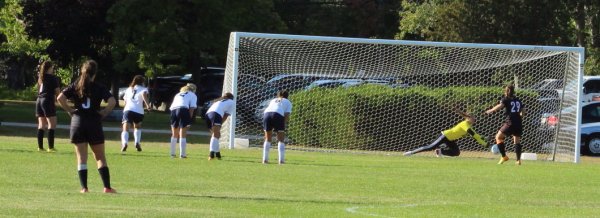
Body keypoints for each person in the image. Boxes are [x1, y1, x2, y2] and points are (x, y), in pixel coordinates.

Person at [56, 60, 117, 193]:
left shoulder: (75, 85)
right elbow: (112, 101)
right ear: (94, 74)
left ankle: (84, 188)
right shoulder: (99, 87)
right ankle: (107, 187)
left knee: (81, 157)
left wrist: (70, 110)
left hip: (77, 123)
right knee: (100, 156)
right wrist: (104, 112)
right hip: (93, 122)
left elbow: (60, 98)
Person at [403, 109, 488, 157]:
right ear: (468, 118)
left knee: (456, 153)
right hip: (445, 136)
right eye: (473, 118)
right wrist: (485, 143)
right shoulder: (464, 124)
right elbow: (474, 135)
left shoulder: (469, 127)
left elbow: (475, 136)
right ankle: (410, 152)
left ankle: (440, 151)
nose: (475, 120)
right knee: (430, 147)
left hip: (451, 140)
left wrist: (484, 141)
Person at [485, 84, 524, 165]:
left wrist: (491, 110)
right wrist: (519, 116)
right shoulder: (518, 100)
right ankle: (518, 160)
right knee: (516, 141)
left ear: (506, 91)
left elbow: (500, 106)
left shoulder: (505, 99)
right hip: (519, 123)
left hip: (510, 122)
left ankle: (504, 156)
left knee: (498, 137)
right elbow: (523, 111)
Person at [35, 60, 61, 152]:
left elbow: (38, 90)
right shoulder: (53, 78)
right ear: (50, 68)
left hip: (39, 100)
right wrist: (60, 101)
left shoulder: (40, 77)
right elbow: (58, 92)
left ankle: (40, 147)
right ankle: (50, 147)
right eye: (52, 67)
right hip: (47, 100)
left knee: (41, 124)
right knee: (52, 123)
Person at [120, 75, 150, 152]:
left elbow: (125, 101)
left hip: (128, 109)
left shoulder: (128, 89)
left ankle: (124, 143)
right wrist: (147, 105)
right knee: (137, 127)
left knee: (125, 128)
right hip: (139, 111)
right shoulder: (144, 89)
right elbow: (143, 95)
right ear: (142, 82)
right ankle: (137, 142)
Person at [262, 90, 292, 164]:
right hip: (277, 115)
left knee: (267, 138)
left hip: (266, 114)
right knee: (281, 139)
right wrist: (282, 126)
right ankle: (281, 160)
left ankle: (265, 160)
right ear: (287, 96)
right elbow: (287, 115)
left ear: (278, 95)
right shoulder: (288, 102)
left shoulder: (273, 100)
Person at [168, 83, 197, 158]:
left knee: (174, 134)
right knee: (182, 134)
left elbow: (172, 106)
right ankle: (182, 154)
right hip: (183, 110)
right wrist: (189, 119)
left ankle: (172, 154)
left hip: (173, 111)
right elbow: (192, 108)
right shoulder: (193, 95)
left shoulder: (178, 94)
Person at [205, 92, 235, 160]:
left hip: (207, 115)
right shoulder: (232, 102)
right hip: (216, 114)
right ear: (231, 98)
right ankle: (211, 155)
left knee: (216, 135)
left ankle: (218, 154)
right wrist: (220, 124)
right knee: (216, 135)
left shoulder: (218, 101)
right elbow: (226, 115)